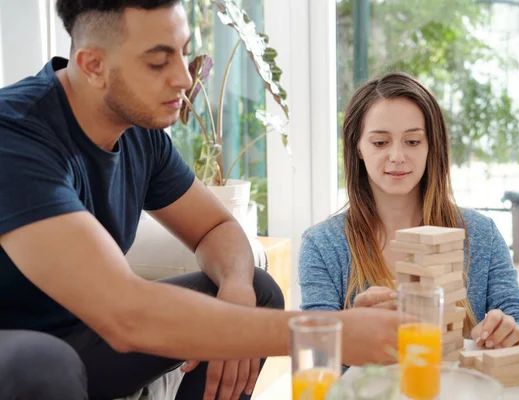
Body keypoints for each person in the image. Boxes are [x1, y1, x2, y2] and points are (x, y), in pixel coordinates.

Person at [0, 2, 405, 399]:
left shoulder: (139, 133)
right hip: (22, 351)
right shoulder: (15, 137)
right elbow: (125, 313)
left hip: (83, 340)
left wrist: (236, 294)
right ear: (93, 66)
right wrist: (332, 332)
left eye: (183, 52)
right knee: (43, 362)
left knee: (257, 291)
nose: (183, 77)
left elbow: (217, 227)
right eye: (159, 62)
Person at [298, 72, 519, 355]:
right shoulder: (322, 244)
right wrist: (354, 331)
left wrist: (512, 335)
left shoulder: (481, 233)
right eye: (380, 143)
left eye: (413, 142)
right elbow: (315, 354)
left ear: (431, 146)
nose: (398, 156)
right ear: (358, 147)